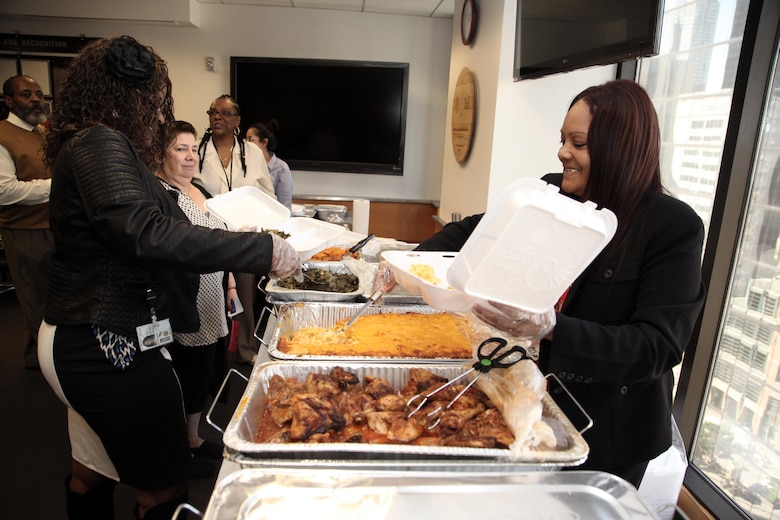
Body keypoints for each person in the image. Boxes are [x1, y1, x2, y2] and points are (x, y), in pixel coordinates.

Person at [378, 79, 706, 489]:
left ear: (619, 148)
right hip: (528, 394)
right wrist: (406, 261)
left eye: (578, 142)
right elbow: (474, 230)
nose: (562, 152)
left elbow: (656, 347)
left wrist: (551, 328)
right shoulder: (554, 190)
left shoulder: (672, 226)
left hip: (609, 431)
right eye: (562, 139)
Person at [38, 36, 301, 520]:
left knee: (92, 469)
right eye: (156, 105)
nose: (160, 118)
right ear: (129, 98)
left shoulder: (97, 143)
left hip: (84, 332)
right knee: (164, 484)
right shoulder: (99, 142)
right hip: (104, 339)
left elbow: (170, 225)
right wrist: (260, 249)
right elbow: (147, 234)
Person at [156, 120, 235, 477]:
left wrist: (231, 284)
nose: (189, 157)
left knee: (204, 368)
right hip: (184, 300)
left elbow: (223, 241)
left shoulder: (199, 188)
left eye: (192, 149)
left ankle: (192, 433)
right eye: (179, 149)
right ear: (161, 153)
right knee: (183, 371)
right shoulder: (161, 195)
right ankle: (177, 442)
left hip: (214, 295)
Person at [193, 95, 276, 365]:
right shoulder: (198, 150)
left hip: (243, 235)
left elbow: (267, 195)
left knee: (244, 293)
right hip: (207, 235)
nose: (217, 117)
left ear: (237, 120)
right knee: (206, 293)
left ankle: (246, 348)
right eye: (213, 112)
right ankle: (210, 352)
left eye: (225, 113)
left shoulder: (251, 153)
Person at [0, 75, 53, 369]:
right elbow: (4, 191)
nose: (35, 99)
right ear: (9, 101)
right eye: (26, 94)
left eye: (38, 93)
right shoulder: (3, 135)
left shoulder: (41, 134)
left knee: (51, 297)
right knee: (36, 300)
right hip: (24, 232)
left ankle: (38, 356)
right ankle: (44, 364)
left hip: (51, 226)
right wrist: (57, 186)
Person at [246, 119, 294, 210]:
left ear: (264, 142)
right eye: (245, 139)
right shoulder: (246, 164)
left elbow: (285, 207)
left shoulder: (281, 168)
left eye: (250, 139)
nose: (246, 143)